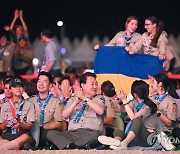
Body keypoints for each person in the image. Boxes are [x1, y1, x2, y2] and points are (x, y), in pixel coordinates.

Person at [98, 80, 175, 150]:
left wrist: (125, 100)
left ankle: (124, 143)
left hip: (148, 137)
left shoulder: (148, 106)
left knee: (137, 120)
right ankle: (117, 142)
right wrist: (120, 101)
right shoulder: (134, 102)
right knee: (118, 132)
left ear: (135, 94)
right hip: (136, 137)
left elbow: (133, 117)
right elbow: (122, 110)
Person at [46, 72, 105, 150]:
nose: (95, 87)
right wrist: (75, 102)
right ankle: (76, 146)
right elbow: (64, 115)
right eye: (92, 84)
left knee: (97, 136)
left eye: (96, 84)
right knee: (51, 134)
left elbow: (101, 111)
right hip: (72, 133)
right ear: (83, 85)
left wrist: (85, 99)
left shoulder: (99, 98)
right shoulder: (73, 98)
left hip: (91, 132)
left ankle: (67, 145)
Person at [28, 71, 63, 148]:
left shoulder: (56, 101)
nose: (41, 84)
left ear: (50, 85)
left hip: (47, 130)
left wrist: (41, 127)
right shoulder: (30, 101)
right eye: (39, 81)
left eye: (44, 81)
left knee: (51, 135)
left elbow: (58, 124)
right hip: (32, 130)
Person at [0, 78, 35, 150]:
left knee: (25, 137)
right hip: (8, 133)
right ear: (11, 89)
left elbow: (29, 125)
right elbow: (1, 127)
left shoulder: (29, 104)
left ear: (23, 88)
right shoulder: (5, 105)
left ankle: (3, 148)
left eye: (20, 86)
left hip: (22, 133)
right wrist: (4, 124)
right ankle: (9, 147)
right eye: (15, 87)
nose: (18, 88)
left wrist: (20, 125)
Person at [150, 73, 180, 142]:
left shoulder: (170, 102)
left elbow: (169, 123)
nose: (151, 84)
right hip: (150, 129)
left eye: (153, 82)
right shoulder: (151, 99)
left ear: (160, 84)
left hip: (164, 131)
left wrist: (157, 111)